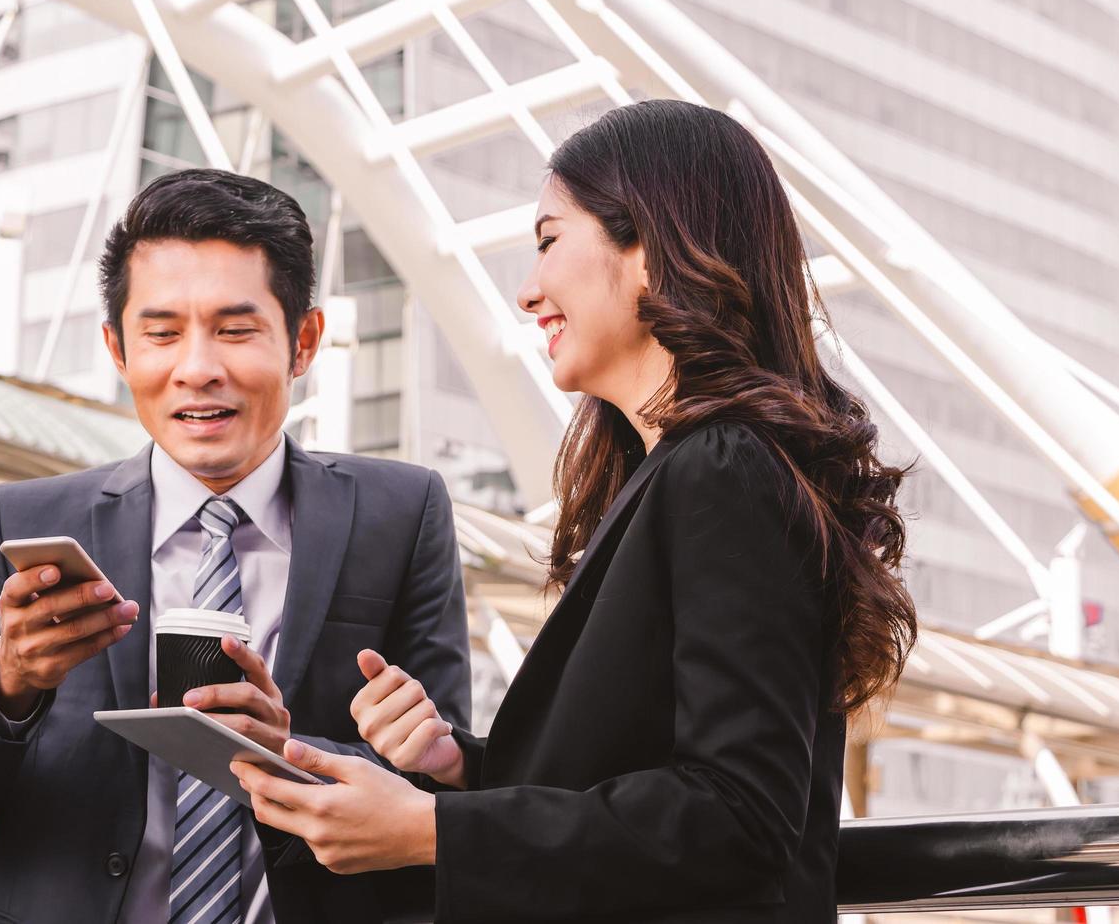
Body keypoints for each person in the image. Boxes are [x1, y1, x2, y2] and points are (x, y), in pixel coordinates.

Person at [232, 100, 919, 923]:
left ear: (649, 248)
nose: (528, 293)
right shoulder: (686, 475)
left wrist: (432, 829)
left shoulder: (723, 470)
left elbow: (737, 819)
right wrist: (458, 767)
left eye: (549, 241)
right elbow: (630, 791)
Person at [0, 169, 472, 924]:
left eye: (234, 329)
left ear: (304, 342)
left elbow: (443, 789)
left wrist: (285, 753)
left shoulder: (403, 514)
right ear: (118, 350)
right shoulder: (15, 525)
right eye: (161, 333)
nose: (197, 368)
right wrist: (8, 681)